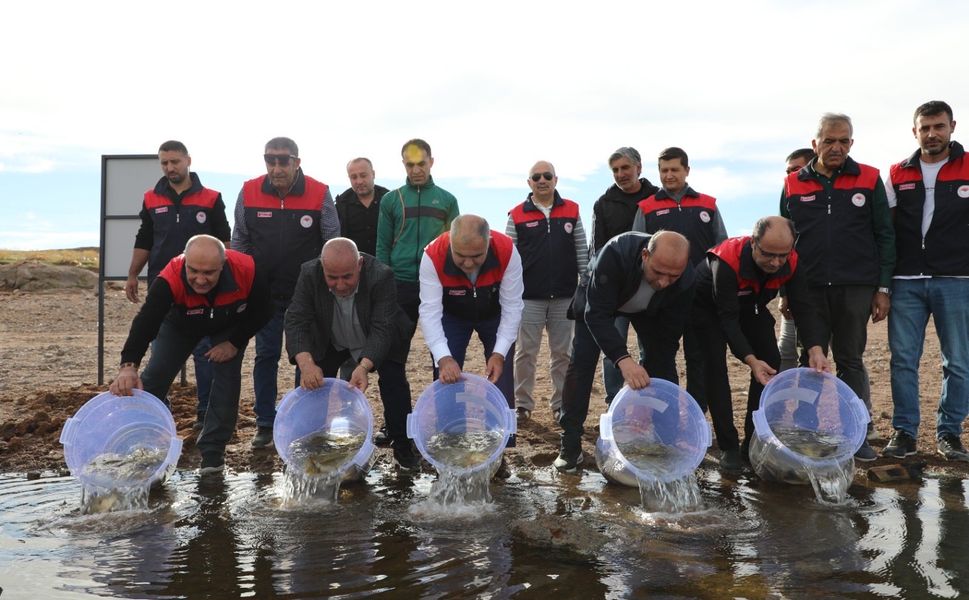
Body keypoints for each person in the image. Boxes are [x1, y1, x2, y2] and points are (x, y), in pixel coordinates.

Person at [781, 113, 896, 462]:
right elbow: (783, 242)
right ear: (815, 143)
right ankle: (806, 431)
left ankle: (856, 434)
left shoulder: (869, 179)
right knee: (810, 360)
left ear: (851, 143)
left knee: (850, 360)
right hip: (808, 288)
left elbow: (885, 235)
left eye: (843, 141)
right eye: (829, 141)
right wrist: (785, 292)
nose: (836, 147)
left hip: (856, 286)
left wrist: (883, 288)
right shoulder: (793, 183)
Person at [110, 235, 271, 473]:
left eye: (209, 273)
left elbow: (264, 310)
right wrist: (128, 366)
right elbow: (146, 322)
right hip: (181, 323)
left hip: (229, 324)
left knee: (227, 379)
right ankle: (141, 445)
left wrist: (234, 343)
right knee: (155, 376)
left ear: (223, 265)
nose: (200, 279)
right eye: (193, 271)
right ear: (185, 262)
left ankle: (213, 452)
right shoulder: (169, 278)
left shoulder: (247, 270)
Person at [692, 217, 830, 470]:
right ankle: (729, 447)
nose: (776, 262)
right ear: (754, 243)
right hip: (708, 309)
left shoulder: (792, 261)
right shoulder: (726, 261)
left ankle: (752, 441)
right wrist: (750, 359)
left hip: (750, 304)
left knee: (771, 361)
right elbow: (728, 320)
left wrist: (815, 348)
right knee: (715, 368)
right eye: (768, 255)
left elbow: (804, 307)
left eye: (782, 255)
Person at [231, 137, 340, 448]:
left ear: (297, 162)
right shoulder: (249, 191)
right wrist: (245, 282)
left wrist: (322, 285)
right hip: (264, 295)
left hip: (305, 297)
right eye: (271, 160)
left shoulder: (319, 193)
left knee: (305, 358)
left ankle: (301, 425)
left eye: (283, 161)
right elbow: (239, 240)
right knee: (265, 356)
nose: (276, 167)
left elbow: (331, 242)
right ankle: (265, 424)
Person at [555, 230, 695, 471]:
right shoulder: (615, 254)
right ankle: (570, 443)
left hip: (649, 311)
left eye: (673, 276)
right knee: (581, 363)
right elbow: (596, 315)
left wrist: (649, 377)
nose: (664, 282)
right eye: (658, 272)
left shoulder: (686, 278)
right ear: (645, 255)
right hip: (599, 302)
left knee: (662, 364)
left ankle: (665, 442)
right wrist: (623, 360)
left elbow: (668, 337)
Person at [284, 238, 420, 470]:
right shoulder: (309, 273)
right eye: (332, 278)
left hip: (374, 333)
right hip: (330, 337)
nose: (340, 285)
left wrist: (364, 366)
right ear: (322, 267)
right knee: (309, 382)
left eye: (347, 277)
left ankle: (403, 446)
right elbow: (296, 320)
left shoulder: (381, 275)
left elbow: (382, 327)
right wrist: (306, 364)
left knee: (394, 381)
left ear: (360, 265)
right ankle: (308, 449)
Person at [883, 100, 969, 462]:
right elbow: (885, 231)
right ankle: (904, 432)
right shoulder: (896, 173)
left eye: (939, 126)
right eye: (925, 128)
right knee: (903, 360)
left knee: (958, 361)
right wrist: (883, 284)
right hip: (906, 280)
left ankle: (949, 434)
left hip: (957, 279)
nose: (932, 134)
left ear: (952, 127)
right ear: (914, 131)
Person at [123, 140, 231, 428]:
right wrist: (133, 273)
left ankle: (206, 414)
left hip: (204, 290)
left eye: (175, 161)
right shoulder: (151, 198)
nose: (170, 167)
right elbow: (145, 238)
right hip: (164, 288)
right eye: (164, 163)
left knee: (205, 354)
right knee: (161, 354)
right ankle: (157, 411)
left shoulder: (211, 198)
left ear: (188, 161)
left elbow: (225, 242)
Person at [632, 147, 728, 411]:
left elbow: (722, 248)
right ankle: (666, 415)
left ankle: (697, 414)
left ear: (687, 170)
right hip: (661, 297)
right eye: (664, 170)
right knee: (661, 358)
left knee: (698, 357)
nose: (669, 175)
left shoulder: (708, 205)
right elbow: (638, 251)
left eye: (674, 169)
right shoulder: (646, 207)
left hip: (700, 296)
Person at [505, 161, 588, 421]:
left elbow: (581, 250)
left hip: (565, 296)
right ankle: (522, 405)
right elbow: (509, 257)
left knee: (563, 354)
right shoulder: (516, 214)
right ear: (529, 182)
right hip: (528, 298)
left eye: (547, 176)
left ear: (555, 180)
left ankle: (560, 405)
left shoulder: (572, 210)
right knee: (525, 353)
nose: (542, 180)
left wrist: (584, 284)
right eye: (536, 176)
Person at [419, 215, 524, 408]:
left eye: (476, 256)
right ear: (450, 242)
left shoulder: (507, 250)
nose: (468, 263)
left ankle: (502, 426)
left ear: (488, 242)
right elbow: (429, 312)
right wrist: (443, 358)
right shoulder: (433, 255)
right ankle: (450, 426)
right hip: (452, 316)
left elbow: (512, 307)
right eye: (460, 255)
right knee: (447, 378)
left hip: (495, 315)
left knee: (501, 378)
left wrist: (499, 354)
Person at [590, 147, 659, 404]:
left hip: (650, 286)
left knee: (650, 347)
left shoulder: (656, 198)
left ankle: (647, 400)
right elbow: (597, 248)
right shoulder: (603, 203)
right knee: (613, 347)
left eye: (625, 168)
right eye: (615, 170)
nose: (620, 174)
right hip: (615, 289)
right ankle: (615, 401)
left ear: (638, 168)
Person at [777, 148, 817, 372]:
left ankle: (854, 398)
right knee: (786, 350)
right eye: (788, 171)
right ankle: (784, 394)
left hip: (834, 289)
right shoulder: (789, 194)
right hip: (796, 286)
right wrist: (784, 293)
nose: (791, 175)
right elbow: (783, 247)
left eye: (796, 169)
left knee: (845, 354)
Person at [335, 158, 389, 257]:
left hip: (385, 261)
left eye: (363, 175)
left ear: (373, 174)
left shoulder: (389, 199)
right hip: (354, 262)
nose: (359, 181)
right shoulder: (341, 205)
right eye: (354, 177)